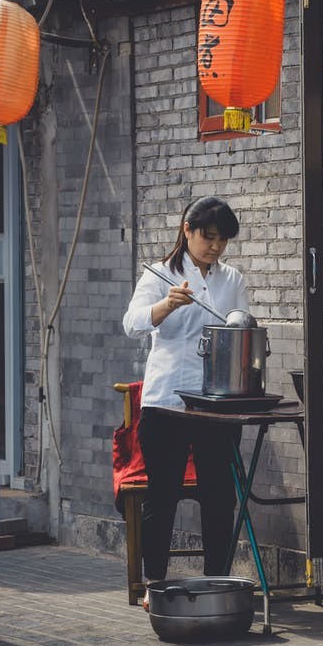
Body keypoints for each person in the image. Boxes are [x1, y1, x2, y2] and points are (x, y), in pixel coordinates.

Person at [121, 196, 248, 604]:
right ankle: (154, 583)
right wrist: (165, 305)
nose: (215, 247)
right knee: (163, 495)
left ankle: (217, 583)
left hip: (216, 405)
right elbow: (132, 323)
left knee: (219, 496)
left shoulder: (233, 281)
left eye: (222, 240)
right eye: (208, 237)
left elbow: (241, 329)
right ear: (187, 230)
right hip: (167, 402)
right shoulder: (161, 274)